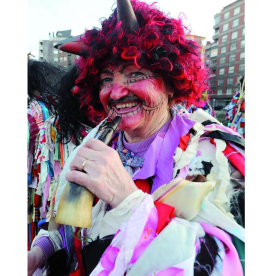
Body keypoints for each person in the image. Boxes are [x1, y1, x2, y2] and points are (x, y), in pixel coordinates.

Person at [29, 1, 245, 275]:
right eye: (107, 79)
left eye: (136, 75)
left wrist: (129, 202)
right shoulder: (97, 141)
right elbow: (72, 228)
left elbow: (230, 262)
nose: (116, 93)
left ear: (170, 82)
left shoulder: (218, 154)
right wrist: (40, 252)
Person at [27, 61, 94, 259]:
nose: (116, 93)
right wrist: (40, 253)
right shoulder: (91, 136)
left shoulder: (34, 112)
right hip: (50, 184)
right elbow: (60, 231)